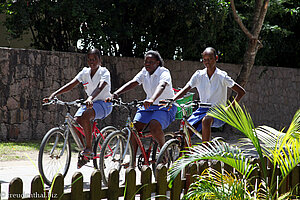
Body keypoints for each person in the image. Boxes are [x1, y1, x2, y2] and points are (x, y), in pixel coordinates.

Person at [43, 48, 113, 168]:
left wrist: (90, 98)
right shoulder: (84, 72)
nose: (92, 62)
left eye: (94, 59)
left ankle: (89, 148)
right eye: (90, 59)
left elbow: (100, 87)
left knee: (86, 116)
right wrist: (54, 94)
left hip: (103, 103)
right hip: (88, 103)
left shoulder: (104, 72)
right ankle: (84, 152)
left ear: (100, 60)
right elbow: (71, 84)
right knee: (75, 123)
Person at [107, 50, 177, 163]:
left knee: (154, 126)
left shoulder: (164, 72)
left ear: (158, 63)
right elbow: (133, 82)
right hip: (148, 106)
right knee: (133, 129)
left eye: (151, 62)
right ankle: (132, 161)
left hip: (164, 106)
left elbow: (162, 85)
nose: (147, 64)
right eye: (146, 62)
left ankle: (164, 153)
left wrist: (152, 99)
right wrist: (115, 94)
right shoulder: (144, 72)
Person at [169, 47, 246, 142]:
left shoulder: (222, 76)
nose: (207, 62)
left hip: (218, 112)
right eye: (205, 60)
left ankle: (205, 153)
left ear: (216, 58)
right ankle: (185, 154)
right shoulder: (198, 75)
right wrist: (172, 99)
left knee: (206, 120)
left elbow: (241, 92)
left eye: (210, 59)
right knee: (185, 133)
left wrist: (229, 108)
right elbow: (185, 89)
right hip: (201, 110)